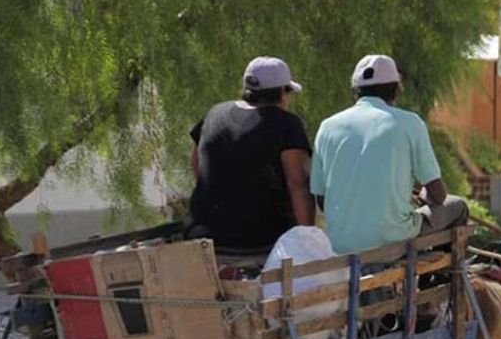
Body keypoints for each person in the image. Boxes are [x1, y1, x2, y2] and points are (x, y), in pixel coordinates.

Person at [310, 54, 468, 255]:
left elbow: (322, 201)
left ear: (356, 91)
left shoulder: (327, 127)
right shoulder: (410, 124)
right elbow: (438, 195)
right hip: (392, 241)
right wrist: (422, 197)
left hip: (340, 245)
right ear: (396, 89)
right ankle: (442, 270)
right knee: (458, 207)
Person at [186, 56, 314, 251]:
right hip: (260, 240)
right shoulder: (287, 124)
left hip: (203, 234)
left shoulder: (214, 114)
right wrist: (308, 240)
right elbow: (298, 184)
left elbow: (197, 163)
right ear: (282, 93)